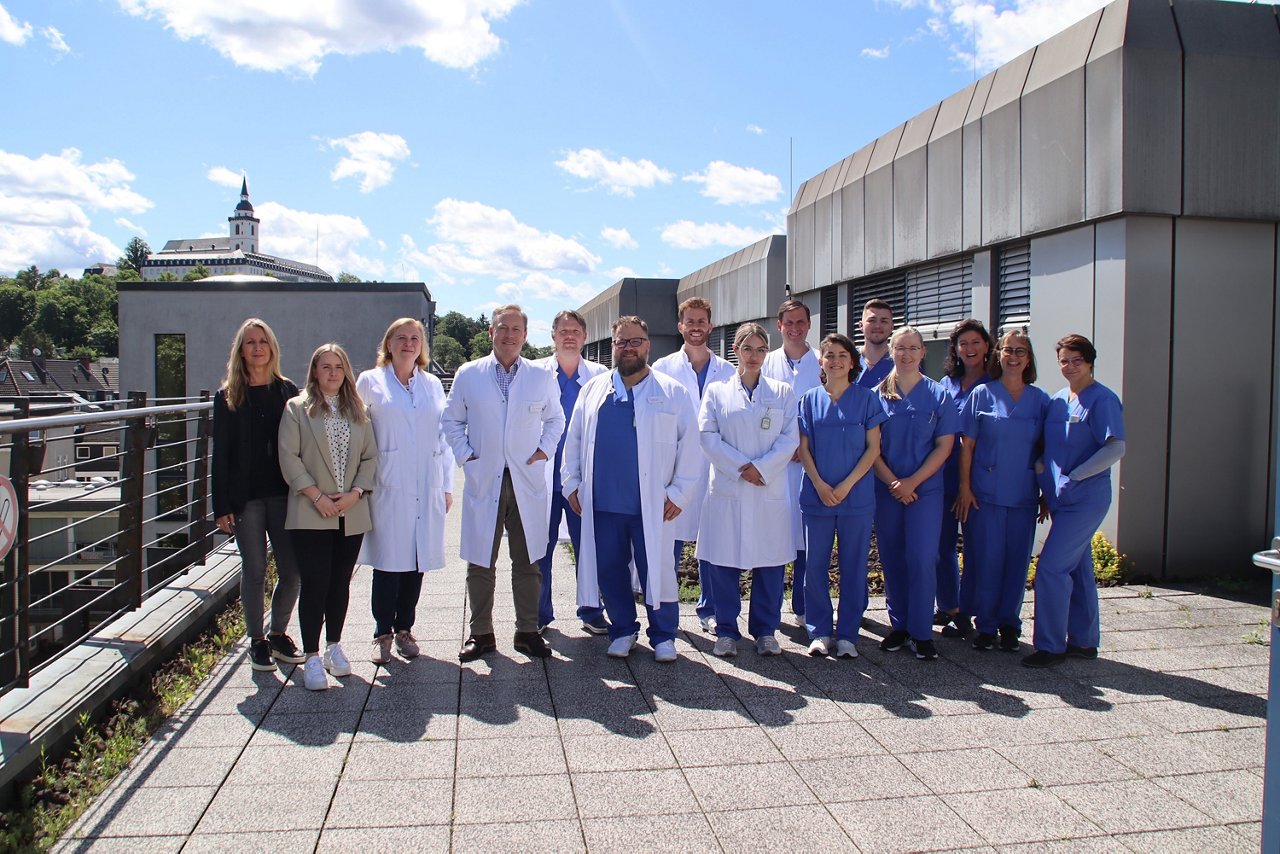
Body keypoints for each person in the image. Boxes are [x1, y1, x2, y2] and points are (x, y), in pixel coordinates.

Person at [562, 316, 701, 663]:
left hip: (653, 504)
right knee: (609, 568)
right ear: (612, 347)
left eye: (635, 341)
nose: (628, 348)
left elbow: (691, 447)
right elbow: (574, 440)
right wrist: (573, 485)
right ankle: (623, 629)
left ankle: (664, 634)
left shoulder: (672, 392)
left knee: (659, 569)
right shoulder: (593, 391)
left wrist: (679, 493)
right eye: (621, 342)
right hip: (604, 501)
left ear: (648, 345)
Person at [442, 305, 565, 662]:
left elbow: (556, 419)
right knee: (481, 560)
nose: (509, 335)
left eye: (516, 329)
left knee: (528, 561)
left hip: (526, 480)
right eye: (502, 328)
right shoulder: (469, 374)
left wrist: (543, 451)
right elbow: (451, 421)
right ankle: (481, 633)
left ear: (526, 335)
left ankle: (527, 631)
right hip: (486, 477)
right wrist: (468, 456)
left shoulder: (541, 376)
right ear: (491, 333)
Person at [278, 343, 378, 691]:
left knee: (339, 583)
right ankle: (312, 656)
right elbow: (289, 458)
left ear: (346, 371)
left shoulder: (359, 411)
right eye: (326, 367)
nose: (333, 373)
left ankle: (335, 646)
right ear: (314, 371)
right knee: (315, 583)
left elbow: (370, 458)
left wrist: (354, 494)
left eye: (338, 367)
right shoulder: (296, 409)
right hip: (312, 510)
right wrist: (317, 496)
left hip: (350, 510)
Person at [356, 318, 455, 666]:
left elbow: (443, 439)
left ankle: (405, 629)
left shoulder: (431, 384)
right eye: (401, 337)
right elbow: (358, 432)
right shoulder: (370, 381)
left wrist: (445, 485)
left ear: (422, 346)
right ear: (389, 343)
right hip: (388, 483)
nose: (409, 343)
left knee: (416, 561)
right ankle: (382, 632)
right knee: (387, 562)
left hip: (426, 482)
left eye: (415, 338)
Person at [697, 323, 799, 657]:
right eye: (747, 349)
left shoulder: (782, 392)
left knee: (769, 563)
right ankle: (726, 631)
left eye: (760, 349)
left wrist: (763, 468)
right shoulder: (716, 392)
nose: (754, 356)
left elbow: (790, 438)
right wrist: (742, 467)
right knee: (724, 563)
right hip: (731, 485)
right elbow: (708, 436)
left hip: (766, 488)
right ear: (736, 351)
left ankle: (765, 631)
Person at [1023, 334, 1125, 668]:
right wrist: (1044, 479)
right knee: (1078, 569)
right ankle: (1083, 641)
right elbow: (1047, 448)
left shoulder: (1102, 400)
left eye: (1076, 360)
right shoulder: (1058, 401)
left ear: (1090, 361)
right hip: (1059, 499)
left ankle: (1050, 646)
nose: (1069, 367)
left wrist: (1076, 476)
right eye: (1064, 361)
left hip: (1085, 499)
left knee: (1051, 568)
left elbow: (1115, 447)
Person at [212, 318, 305, 672]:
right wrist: (220, 504)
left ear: (272, 348)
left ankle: (278, 633)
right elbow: (220, 454)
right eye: (250, 342)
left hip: (283, 494)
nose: (257, 348)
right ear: (241, 350)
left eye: (262, 341)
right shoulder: (227, 397)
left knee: (292, 571)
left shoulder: (287, 391)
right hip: (245, 498)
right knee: (253, 570)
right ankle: (257, 641)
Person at [954, 329, 1049, 652]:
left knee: (1017, 562)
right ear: (998, 355)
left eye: (1020, 351)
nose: (1013, 356)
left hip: (1023, 493)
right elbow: (967, 446)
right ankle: (986, 625)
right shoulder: (982, 394)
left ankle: (1010, 623)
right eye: (1007, 350)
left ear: (1029, 358)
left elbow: (1046, 450)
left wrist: (1047, 493)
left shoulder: (1041, 400)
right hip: (984, 494)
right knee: (987, 559)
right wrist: (965, 487)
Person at [873, 326, 959, 661]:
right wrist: (894, 482)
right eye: (900, 348)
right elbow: (872, 448)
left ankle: (922, 631)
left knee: (923, 558)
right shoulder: (877, 395)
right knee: (893, 558)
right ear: (890, 351)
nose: (906, 354)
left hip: (926, 491)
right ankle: (900, 626)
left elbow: (945, 445)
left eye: (913, 348)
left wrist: (912, 482)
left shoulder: (939, 395)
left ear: (923, 352)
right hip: (887, 490)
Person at [797, 333, 885, 657]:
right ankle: (819, 632)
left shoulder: (867, 400)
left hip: (856, 497)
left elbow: (873, 448)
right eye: (829, 355)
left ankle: (848, 633)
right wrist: (819, 483)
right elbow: (803, 448)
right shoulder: (808, 400)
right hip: (817, 496)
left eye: (842, 355)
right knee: (814, 566)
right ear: (820, 362)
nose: (835, 360)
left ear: (852, 361)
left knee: (854, 565)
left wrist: (847, 485)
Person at [651, 296, 736, 633]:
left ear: (710, 326)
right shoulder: (663, 368)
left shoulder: (728, 372)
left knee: (711, 544)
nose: (696, 327)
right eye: (690, 321)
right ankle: (664, 612)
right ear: (680, 326)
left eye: (702, 321)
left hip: (716, 470)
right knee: (669, 543)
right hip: (674, 469)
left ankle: (709, 609)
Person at [531, 310, 609, 636]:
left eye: (575, 331)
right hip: (543, 478)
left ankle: (591, 611)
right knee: (539, 548)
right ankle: (538, 614)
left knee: (588, 545)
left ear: (585, 336)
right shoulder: (534, 374)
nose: (569, 336)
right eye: (563, 330)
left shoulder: (600, 375)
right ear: (553, 336)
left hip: (581, 478)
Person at [761, 298, 822, 619]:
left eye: (802, 322)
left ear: (809, 324)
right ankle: (770, 607)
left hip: (810, 465)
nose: (796, 329)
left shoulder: (824, 363)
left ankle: (802, 605)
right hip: (773, 465)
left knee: (805, 539)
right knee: (773, 537)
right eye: (790, 323)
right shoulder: (766, 363)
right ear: (779, 326)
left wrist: (806, 445)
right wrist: (784, 446)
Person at [934, 319, 994, 638]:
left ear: (986, 346)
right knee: (942, 546)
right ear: (955, 350)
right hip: (944, 478)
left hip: (979, 482)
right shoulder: (947, 384)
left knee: (977, 548)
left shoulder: (995, 385)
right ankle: (950, 606)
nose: (969, 349)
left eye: (975, 343)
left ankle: (976, 612)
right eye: (962, 344)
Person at [856, 299, 894, 389]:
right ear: (861, 325)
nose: (877, 326)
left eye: (884, 321)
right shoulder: (847, 359)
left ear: (892, 326)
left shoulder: (902, 362)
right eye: (872, 320)